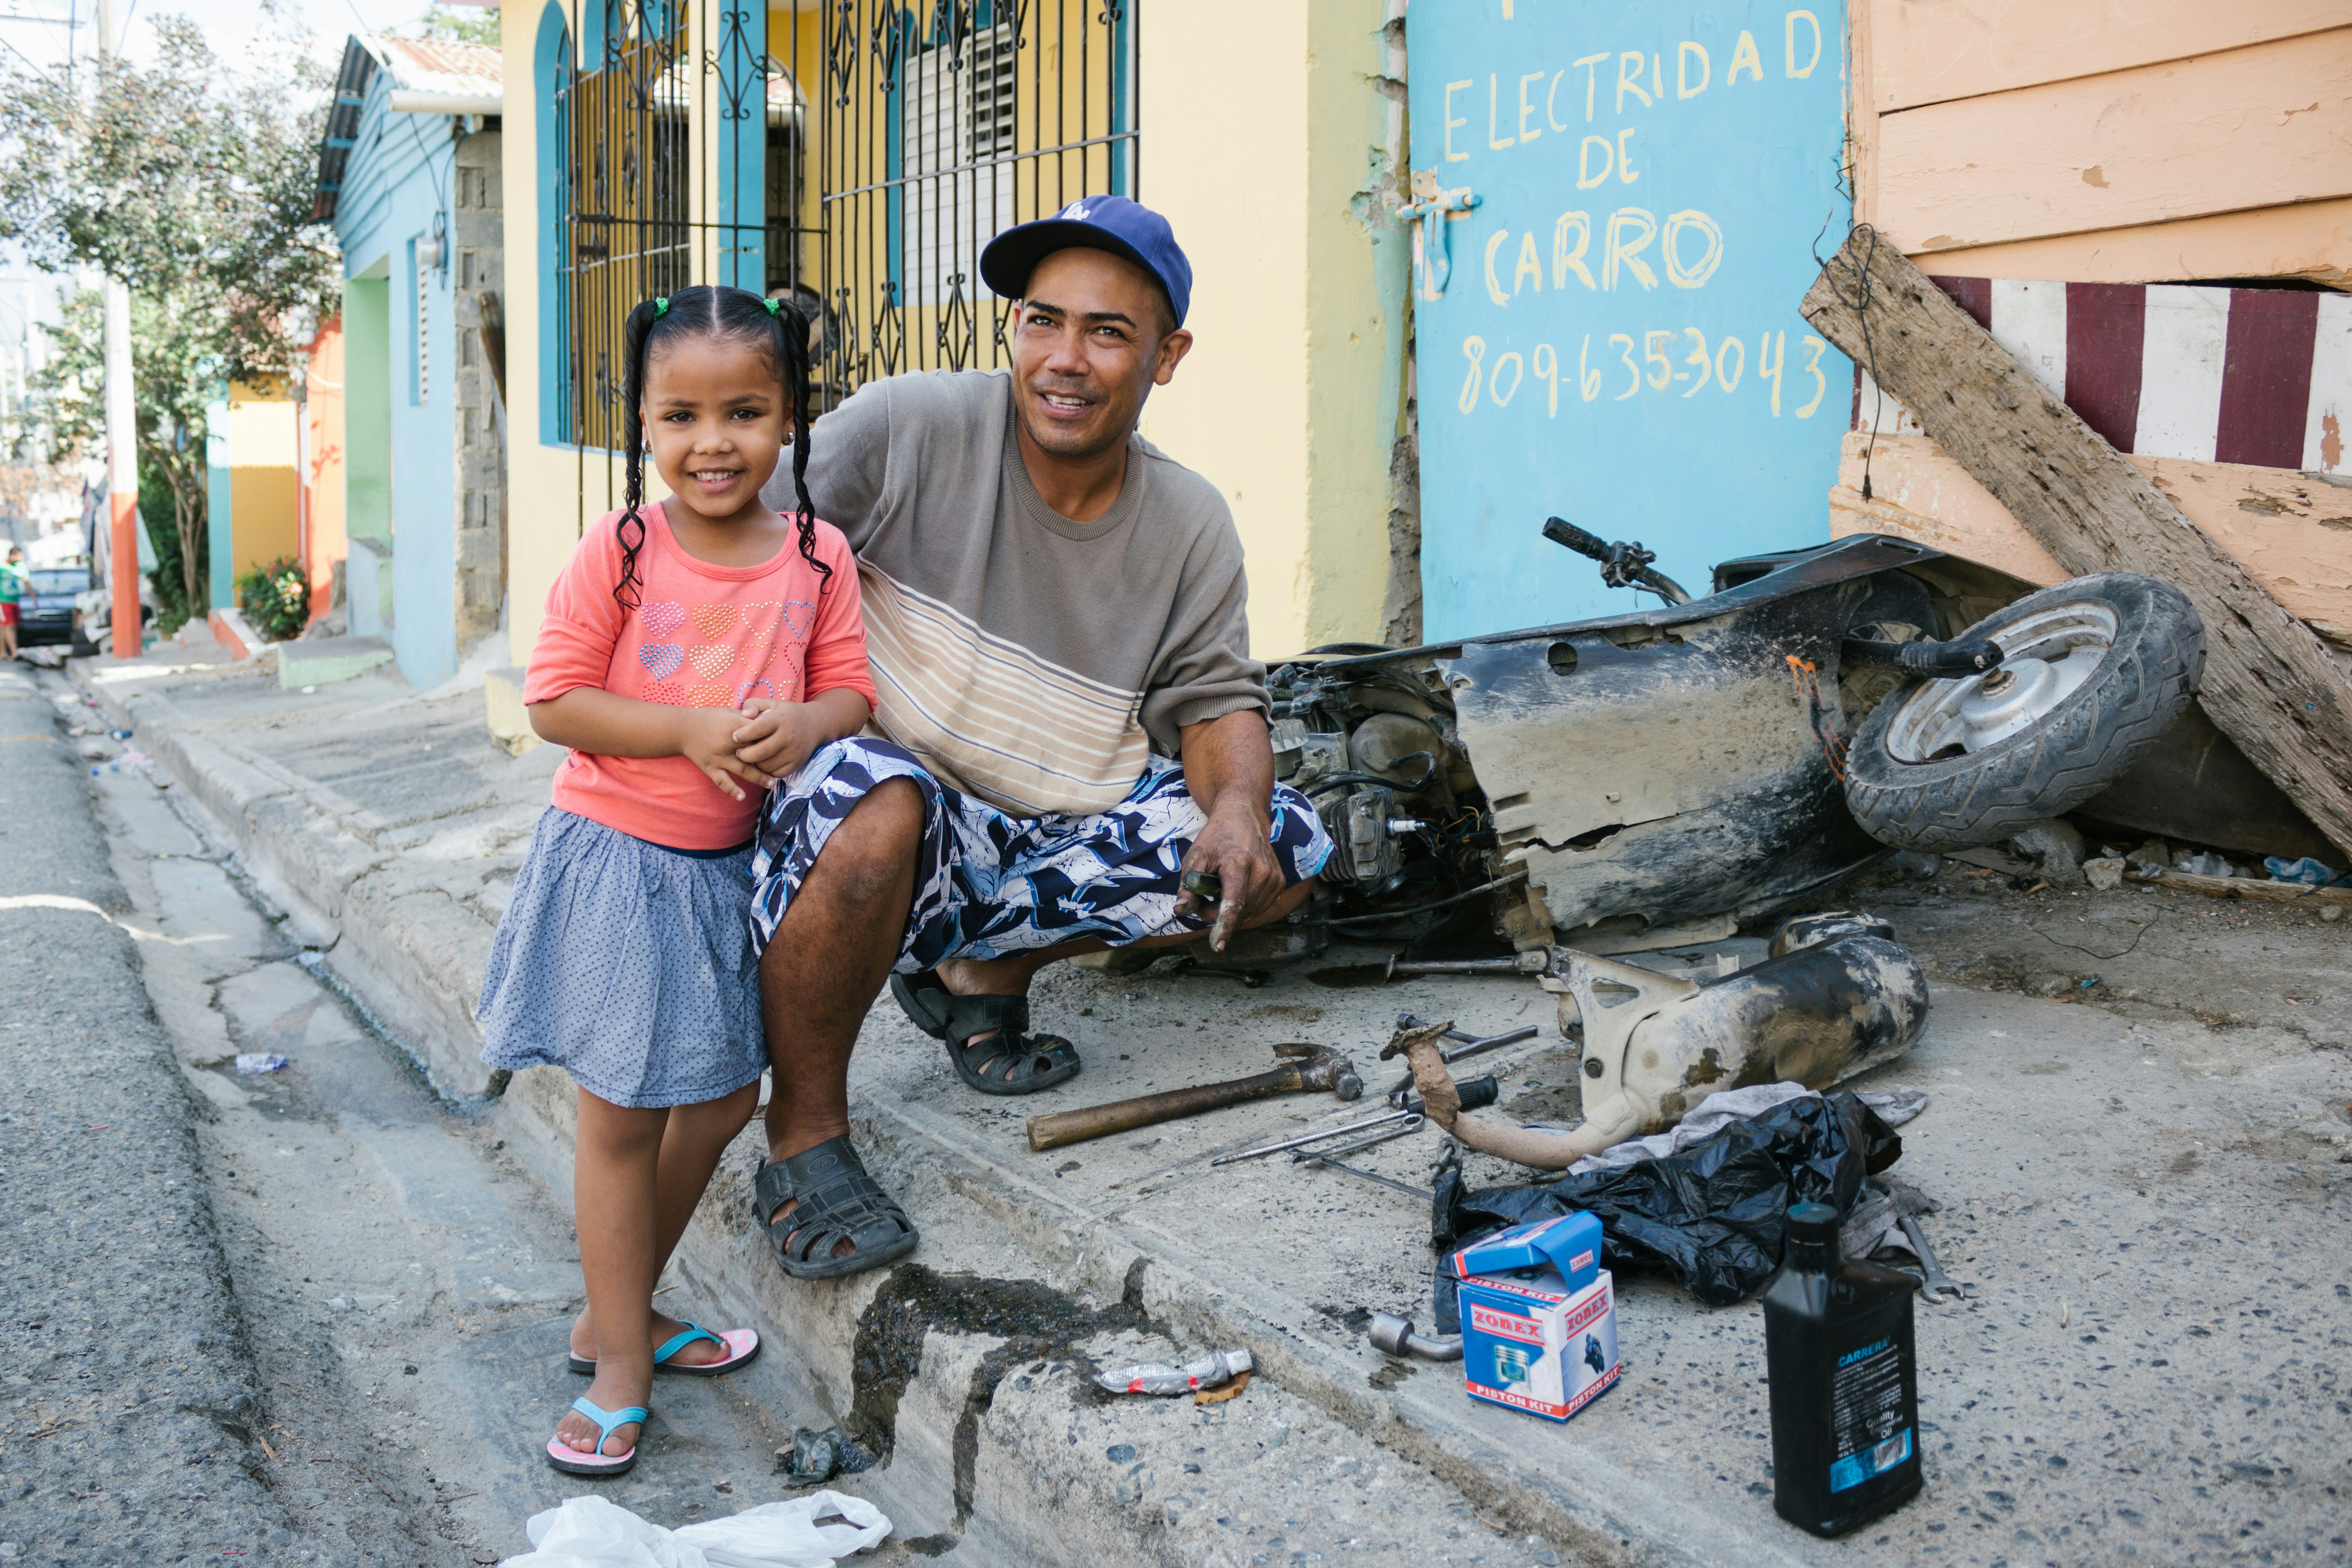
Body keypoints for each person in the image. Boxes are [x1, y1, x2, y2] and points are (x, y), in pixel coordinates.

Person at [738, 197, 1333, 1281]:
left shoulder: (1187, 520)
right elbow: (734, 549)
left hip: (1042, 841)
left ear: (1167, 355)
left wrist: (1237, 805)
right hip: (870, 817)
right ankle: (804, 1136)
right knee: (878, 800)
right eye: (1040, 320)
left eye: (1107, 332)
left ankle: (987, 964)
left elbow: (1213, 700)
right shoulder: (906, 425)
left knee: (1283, 837)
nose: (1064, 359)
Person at [474, 284, 877, 1477]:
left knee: (714, 1100)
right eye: (684, 414)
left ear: (790, 417)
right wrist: (691, 729)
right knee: (622, 1117)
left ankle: (620, 1305)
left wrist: (804, 723)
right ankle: (617, 1368)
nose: (716, 442)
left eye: (746, 412)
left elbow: (852, 691)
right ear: (644, 424)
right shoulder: (624, 551)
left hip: (725, 875)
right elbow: (554, 701)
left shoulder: (816, 555)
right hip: (615, 862)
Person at [0, 546, 24, 660]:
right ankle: (14, 652)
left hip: (15, 601)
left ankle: (4, 652)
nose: (21, 558)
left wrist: (34, 597)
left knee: (9, 627)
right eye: (19, 556)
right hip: (3, 601)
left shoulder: (19, 567)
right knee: (8, 626)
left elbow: (26, 581)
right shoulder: (2, 567)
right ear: (12, 556)